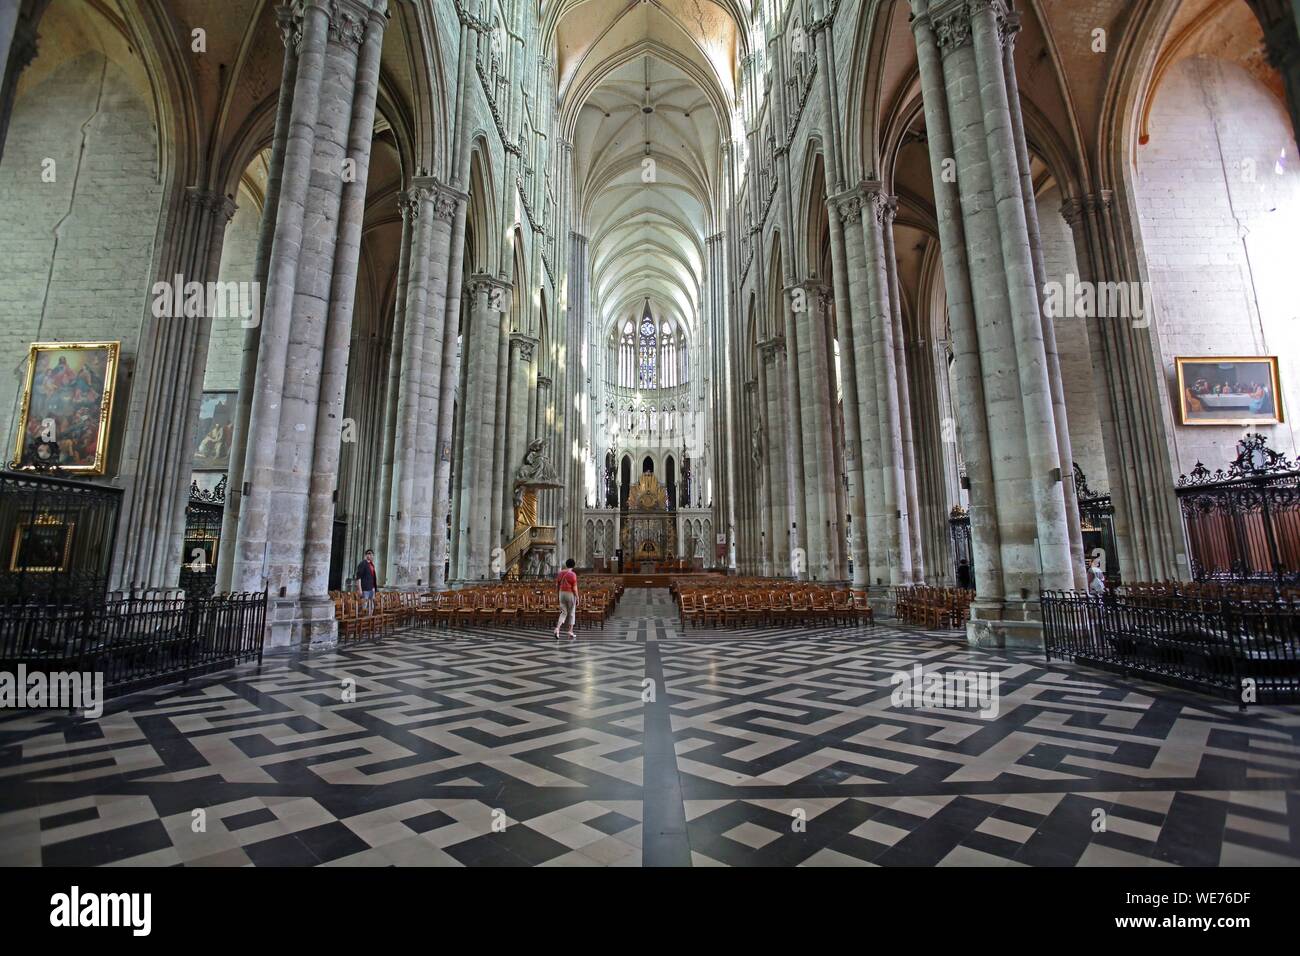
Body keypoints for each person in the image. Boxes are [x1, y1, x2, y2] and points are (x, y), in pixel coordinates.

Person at [554, 557, 578, 640]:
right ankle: (570, 631)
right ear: (573, 566)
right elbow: (574, 588)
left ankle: (557, 629)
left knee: (563, 612)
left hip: (561, 593)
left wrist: (558, 594)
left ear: (566, 564)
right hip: (570, 593)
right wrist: (577, 597)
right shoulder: (573, 574)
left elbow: (557, 585)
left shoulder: (560, 573)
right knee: (572, 612)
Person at [355, 548, 379, 614]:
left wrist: (374, 588)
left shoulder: (371, 565)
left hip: (371, 589)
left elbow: (372, 577)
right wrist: (359, 589)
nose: (371, 556)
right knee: (364, 606)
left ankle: (369, 620)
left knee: (371, 607)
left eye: (372, 554)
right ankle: (361, 621)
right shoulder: (363, 564)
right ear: (366, 555)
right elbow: (358, 577)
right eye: (369, 554)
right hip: (365, 589)